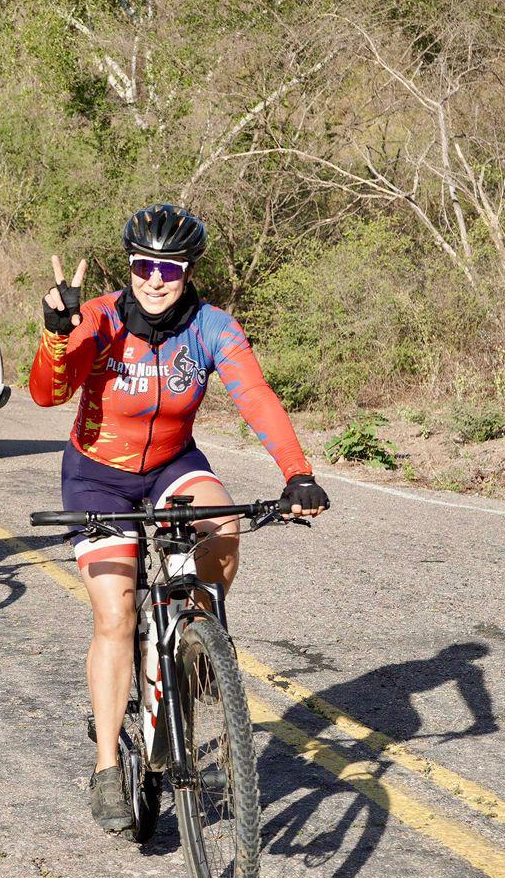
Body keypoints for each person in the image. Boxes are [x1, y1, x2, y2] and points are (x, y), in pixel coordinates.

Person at [28, 202, 330, 834]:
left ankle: (196, 643)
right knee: (115, 614)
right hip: (98, 474)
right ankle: (110, 765)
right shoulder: (100, 317)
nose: (155, 278)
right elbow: (49, 392)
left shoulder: (214, 327)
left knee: (222, 525)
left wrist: (297, 472)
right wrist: (58, 334)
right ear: (130, 265)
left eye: (170, 266)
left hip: (172, 464)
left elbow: (256, 397)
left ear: (188, 271)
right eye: (144, 264)